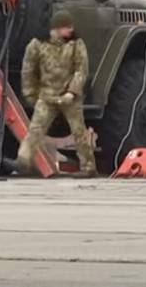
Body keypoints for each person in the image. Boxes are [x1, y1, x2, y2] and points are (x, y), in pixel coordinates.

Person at [14, 10, 97, 178]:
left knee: (78, 131)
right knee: (35, 130)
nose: (71, 30)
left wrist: (72, 92)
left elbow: (82, 70)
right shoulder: (37, 44)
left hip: (69, 97)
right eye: (67, 27)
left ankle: (88, 167)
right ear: (58, 28)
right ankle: (23, 161)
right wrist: (31, 95)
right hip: (47, 96)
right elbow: (28, 71)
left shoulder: (76, 44)